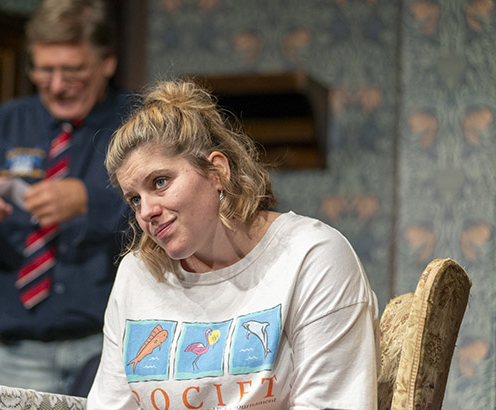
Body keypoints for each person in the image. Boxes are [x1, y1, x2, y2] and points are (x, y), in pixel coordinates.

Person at [86, 80, 379, 409]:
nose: (146, 212)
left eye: (160, 182)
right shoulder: (137, 274)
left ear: (217, 172)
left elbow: (332, 403)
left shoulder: (311, 256)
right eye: (135, 199)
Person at [0, 0, 133, 395]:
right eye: (43, 70)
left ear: (107, 61)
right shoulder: (8, 122)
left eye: (72, 71)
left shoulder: (138, 120)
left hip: (113, 346)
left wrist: (88, 201)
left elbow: (180, 213)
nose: (57, 85)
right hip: (18, 353)